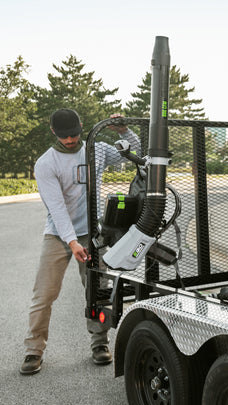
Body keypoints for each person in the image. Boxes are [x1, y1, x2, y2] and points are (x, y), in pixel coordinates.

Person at [20, 109, 141, 375]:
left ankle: (100, 344)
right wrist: (72, 242)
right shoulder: (46, 163)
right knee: (44, 293)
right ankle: (33, 350)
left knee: (97, 289)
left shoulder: (96, 149)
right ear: (54, 133)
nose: (71, 140)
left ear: (81, 126)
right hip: (58, 235)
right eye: (65, 137)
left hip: (92, 232)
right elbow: (57, 208)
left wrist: (123, 131)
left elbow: (135, 153)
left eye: (75, 134)